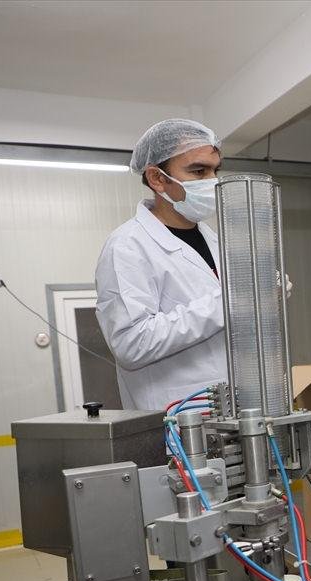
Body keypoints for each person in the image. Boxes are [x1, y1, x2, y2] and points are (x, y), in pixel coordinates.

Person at [95, 118, 226, 411]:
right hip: (177, 420)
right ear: (157, 178)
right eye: (198, 171)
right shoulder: (127, 246)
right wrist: (227, 302)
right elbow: (132, 344)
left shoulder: (216, 240)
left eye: (215, 170)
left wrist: (261, 295)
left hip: (235, 413)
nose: (213, 181)